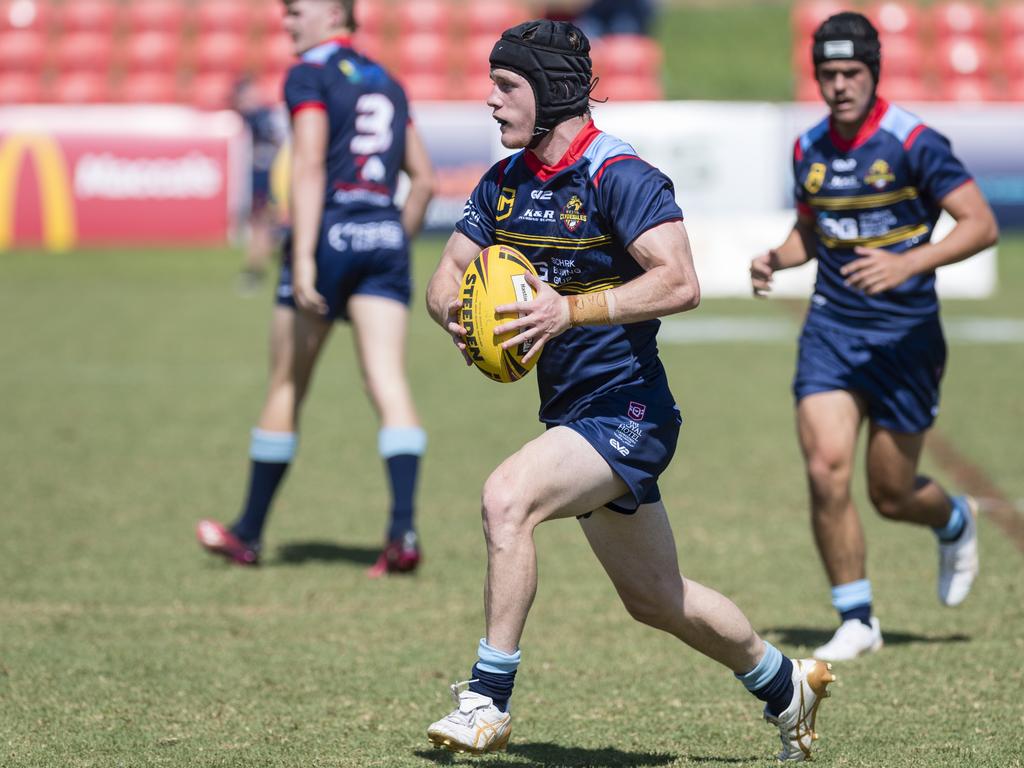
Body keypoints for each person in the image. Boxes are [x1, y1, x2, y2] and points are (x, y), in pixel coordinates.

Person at [424, 20, 835, 762]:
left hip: (629, 409)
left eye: (506, 86)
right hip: (571, 412)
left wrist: (566, 309)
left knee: (506, 497)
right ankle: (784, 684)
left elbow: (681, 282)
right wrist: (462, 319)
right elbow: (446, 277)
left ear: (549, 92)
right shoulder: (505, 183)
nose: (490, 100)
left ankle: (487, 700)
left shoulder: (619, 175)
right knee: (657, 599)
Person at [750, 12, 998, 662]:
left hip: (906, 338)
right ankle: (856, 618)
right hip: (831, 329)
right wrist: (777, 257)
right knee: (825, 468)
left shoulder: (914, 141)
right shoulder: (808, 148)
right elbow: (812, 229)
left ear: (873, 73)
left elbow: (980, 224)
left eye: (851, 73)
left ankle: (954, 518)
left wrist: (909, 262)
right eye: (828, 74)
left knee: (891, 493)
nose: (838, 86)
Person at [196, 0, 435, 577]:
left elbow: (307, 163)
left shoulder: (308, 73)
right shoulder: (389, 81)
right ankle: (402, 532)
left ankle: (248, 533)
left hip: (327, 235)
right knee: (388, 381)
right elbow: (423, 181)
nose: (286, 22)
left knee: (287, 384)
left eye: (297, 11)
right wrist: (389, 241)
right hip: (382, 235)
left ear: (334, 14)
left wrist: (303, 257)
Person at [233, 76, 288, 293]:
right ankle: (257, 267)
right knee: (262, 224)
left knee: (264, 224)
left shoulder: (263, 116)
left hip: (269, 175)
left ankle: (255, 269)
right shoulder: (252, 116)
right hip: (259, 175)